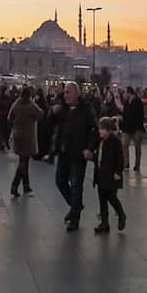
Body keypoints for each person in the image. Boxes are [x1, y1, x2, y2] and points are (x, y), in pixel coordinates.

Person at [52, 81, 97, 232]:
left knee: (76, 184)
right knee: (60, 181)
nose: (66, 95)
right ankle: (76, 206)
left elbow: (94, 130)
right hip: (64, 151)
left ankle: (75, 218)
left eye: (68, 92)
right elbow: (49, 123)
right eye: (65, 92)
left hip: (78, 153)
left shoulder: (86, 109)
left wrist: (90, 148)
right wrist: (52, 112)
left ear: (77, 94)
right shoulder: (63, 109)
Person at [93, 117, 126, 234]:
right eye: (99, 129)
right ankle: (104, 223)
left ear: (108, 130)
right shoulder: (100, 141)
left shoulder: (115, 142)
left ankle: (121, 215)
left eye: (102, 129)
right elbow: (98, 156)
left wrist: (118, 172)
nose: (100, 132)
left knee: (111, 197)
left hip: (111, 175)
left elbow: (120, 158)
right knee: (102, 199)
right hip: (101, 175)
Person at [8, 86, 43, 198]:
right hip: (27, 136)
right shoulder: (31, 105)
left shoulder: (16, 104)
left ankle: (26, 185)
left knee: (24, 161)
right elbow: (40, 114)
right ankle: (14, 185)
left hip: (17, 135)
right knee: (23, 163)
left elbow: (9, 118)